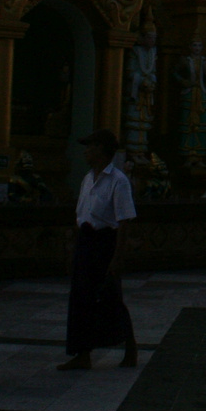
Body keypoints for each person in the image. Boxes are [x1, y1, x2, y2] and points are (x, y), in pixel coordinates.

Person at [61, 130, 139, 369]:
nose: (86, 151)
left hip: (105, 242)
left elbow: (124, 221)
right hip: (87, 241)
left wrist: (117, 257)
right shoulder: (88, 178)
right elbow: (81, 213)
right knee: (81, 298)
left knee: (110, 297)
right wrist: (74, 244)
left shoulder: (118, 180)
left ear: (102, 150)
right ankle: (82, 353)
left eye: (90, 146)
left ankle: (130, 347)